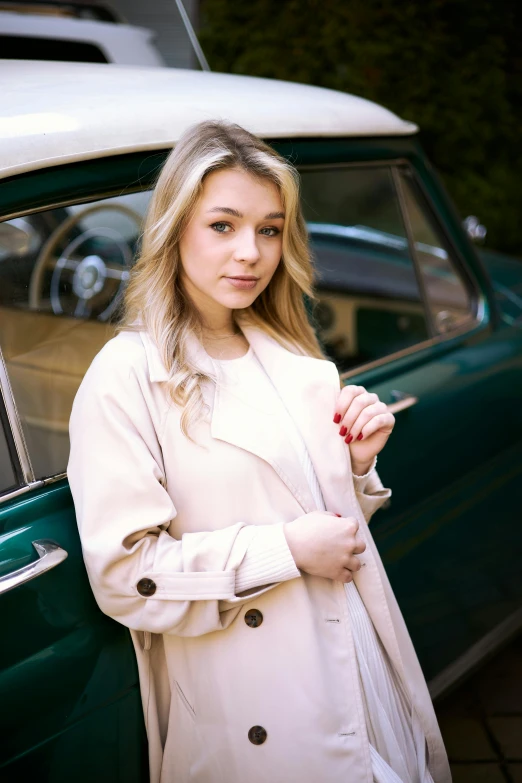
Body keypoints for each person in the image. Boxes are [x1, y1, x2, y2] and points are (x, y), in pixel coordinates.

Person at [67, 119, 451, 783]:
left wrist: (357, 466)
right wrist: (286, 550)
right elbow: (127, 575)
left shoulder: (287, 351)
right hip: (254, 698)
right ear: (175, 227)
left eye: (269, 229)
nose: (250, 251)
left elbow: (320, 520)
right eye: (223, 225)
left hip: (352, 660)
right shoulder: (126, 373)